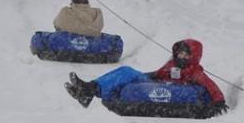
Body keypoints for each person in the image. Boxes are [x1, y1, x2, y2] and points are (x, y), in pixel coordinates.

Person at [66, 37, 224, 109]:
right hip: (157, 83)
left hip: (172, 90)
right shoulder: (172, 64)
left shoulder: (194, 71)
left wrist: (219, 102)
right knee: (125, 72)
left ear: (193, 56)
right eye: (180, 53)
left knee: (127, 73)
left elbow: (211, 87)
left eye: (186, 54)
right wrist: (145, 76)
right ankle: (90, 89)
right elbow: (158, 74)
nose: (181, 56)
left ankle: (89, 90)